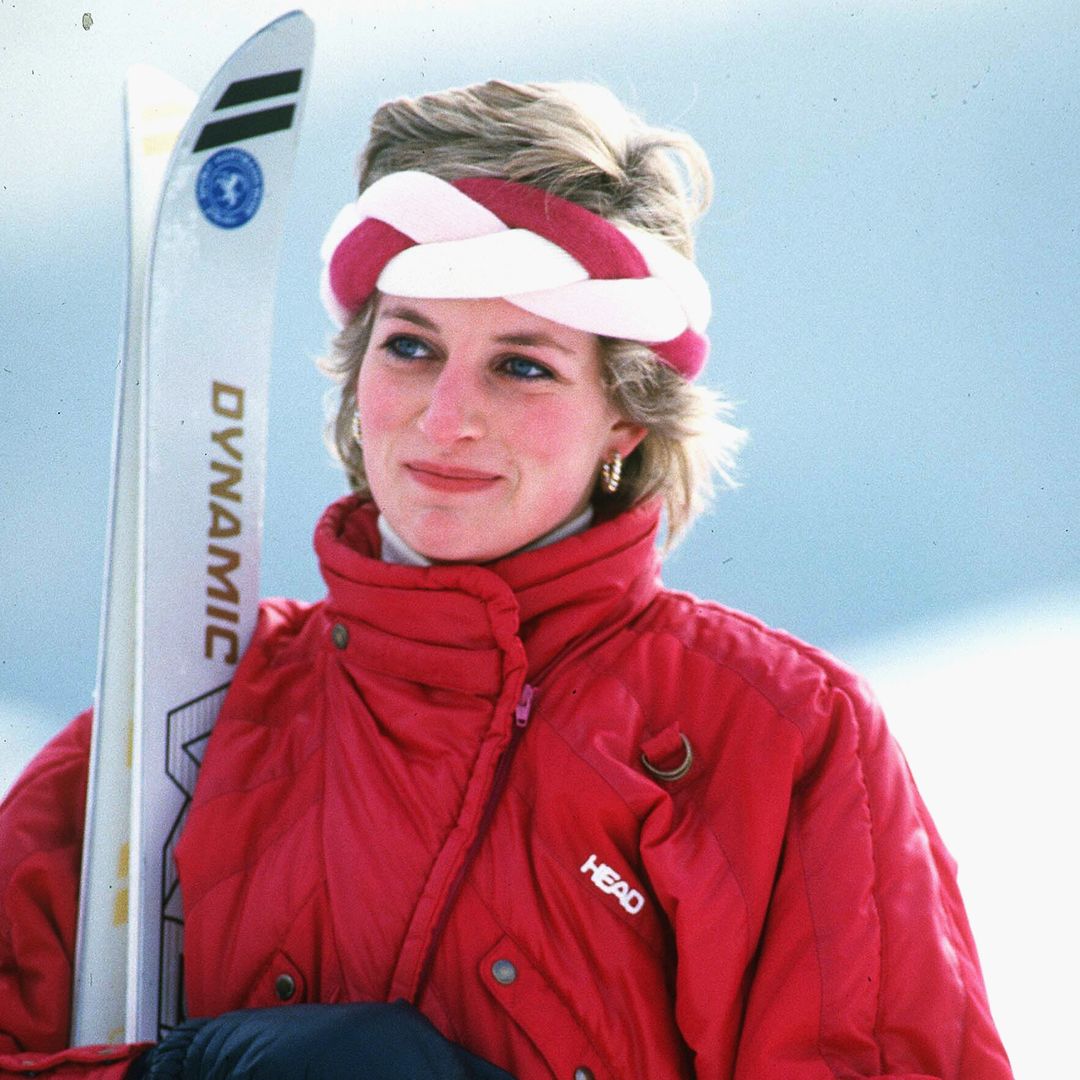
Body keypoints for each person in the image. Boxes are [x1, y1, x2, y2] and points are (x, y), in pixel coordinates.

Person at [0, 80, 1013, 1079]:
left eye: (521, 365)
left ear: (627, 414)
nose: (446, 418)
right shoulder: (187, 708)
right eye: (410, 347)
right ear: (355, 379)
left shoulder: (773, 737)